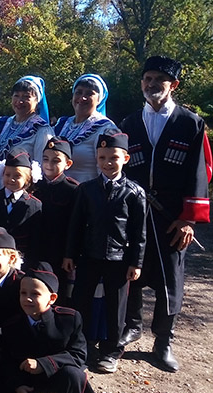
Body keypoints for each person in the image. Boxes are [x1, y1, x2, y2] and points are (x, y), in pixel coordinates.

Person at [118, 56, 211, 372]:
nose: (152, 84)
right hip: (134, 212)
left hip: (172, 217)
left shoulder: (191, 123)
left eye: (160, 79)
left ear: (174, 85)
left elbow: (200, 171)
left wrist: (188, 218)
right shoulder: (129, 124)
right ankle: (131, 326)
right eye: (148, 79)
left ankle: (163, 341)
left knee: (170, 278)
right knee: (130, 270)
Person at [63, 131, 146, 373]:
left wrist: (136, 262)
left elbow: (139, 232)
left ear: (125, 159)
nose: (107, 163)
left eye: (113, 158)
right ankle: (82, 347)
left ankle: (111, 350)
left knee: (115, 307)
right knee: (82, 302)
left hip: (119, 259)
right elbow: (76, 225)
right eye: (102, 158)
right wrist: (70, 254)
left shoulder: (134, 192)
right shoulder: (86, 190)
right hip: (89, 256)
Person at [0, 263, 89, 393]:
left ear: (52, 298)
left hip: (56, 374)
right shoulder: (12, 324)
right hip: (26, 378)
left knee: (75, 375)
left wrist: (44, 364)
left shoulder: (69, 320)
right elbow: (7, 359)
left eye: (35, 294)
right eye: (23, 293)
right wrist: (17, 385)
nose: (27, 298)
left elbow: (78, 354)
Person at [31, 137, 78, 301]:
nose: (49, 164)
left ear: (68, 164)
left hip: (59, 253)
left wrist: (70, 255)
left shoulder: (73, 190)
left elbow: (75, 226)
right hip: (36, 248)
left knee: (60, 294)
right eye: (45, 159)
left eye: (56, 160)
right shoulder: (35, 186)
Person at [0, 148, 42, 267]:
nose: (11, 179)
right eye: (7, 174)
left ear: (28, 179)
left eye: (17, 176)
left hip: (20, 261)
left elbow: (35, 239)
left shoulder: (34, 205)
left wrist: (31, 265)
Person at [0, 75, 54, 191]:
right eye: (16, 96)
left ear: (37, 101)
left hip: (22, 191)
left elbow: (41, 167)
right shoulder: (3, 123)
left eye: (26, 97)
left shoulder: (41, 130)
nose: (20, 101)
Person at [53, 74, 118, 183]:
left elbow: (107, 171)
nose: (82, 98)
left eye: (89, 94)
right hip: (57, 190)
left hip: (87, 191)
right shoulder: (62, 124)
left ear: (99, 99)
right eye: (78, 92)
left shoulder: (105, 128)